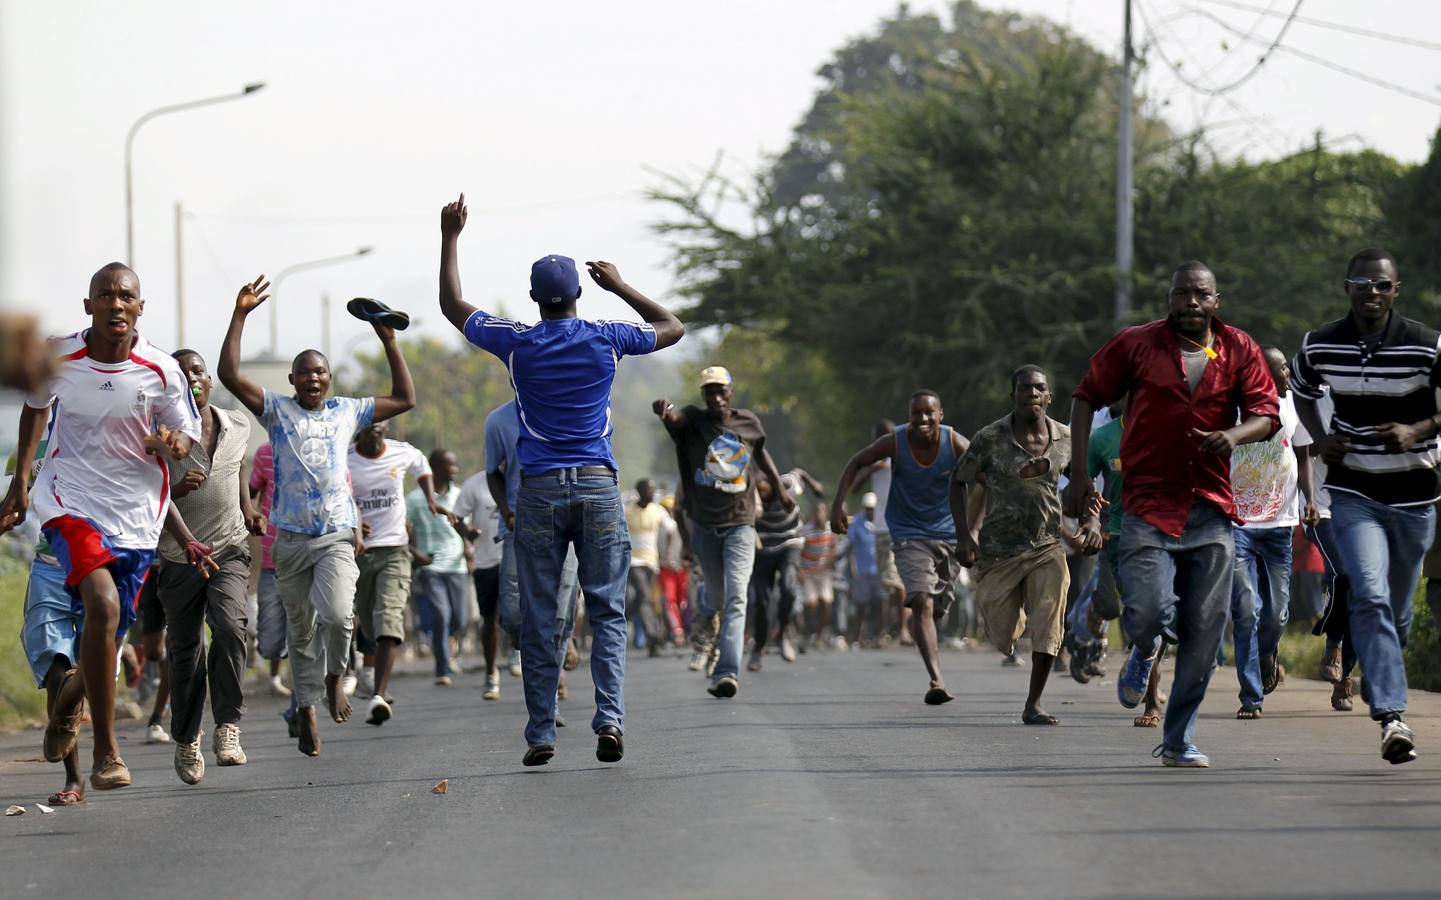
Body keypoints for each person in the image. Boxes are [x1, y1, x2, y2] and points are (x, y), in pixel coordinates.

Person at [440, 193, 683, 766]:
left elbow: (453, 305)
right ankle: (609, 720)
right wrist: (620, 285)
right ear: (577, 294)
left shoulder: (518, 344)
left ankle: (542, 732)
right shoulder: (606, 338)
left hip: (541, 492)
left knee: (543, 616)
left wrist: (450, 235)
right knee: (607, 611)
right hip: (598, 488)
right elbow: (671, 326)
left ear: (533, 299)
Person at [0, 262, 203, 790]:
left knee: (108, 629)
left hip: (137, 517)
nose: (116, 304)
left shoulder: (160, 369)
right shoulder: (60, 355)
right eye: (105, 296)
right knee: (103, 605)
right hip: (69, 502)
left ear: (140, 307)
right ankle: (106, 755)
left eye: (126, 296)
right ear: (88, 305)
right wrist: (21, 482)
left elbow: (185, 435)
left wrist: (173, 445)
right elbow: (35, 410)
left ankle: (70, 704)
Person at [1068, 260, 1278, 768]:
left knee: (1204, 634)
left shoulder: (1240, 349)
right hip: (1146, 507)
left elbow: (1267, 414)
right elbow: (1084, 395)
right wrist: (1078, 474)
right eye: (1181, 294)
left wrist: (1232, 435)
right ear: (1169, 299)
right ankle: (1143, 648)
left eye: (1200, 295)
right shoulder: (1137, 345)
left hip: (1210, 509)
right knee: (1145, 614)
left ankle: (1178, 739)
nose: (1190, 303)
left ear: (1215, 301)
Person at [219, 274, 416, 757]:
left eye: (320, 373)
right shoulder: (277, 411)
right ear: (292, 380)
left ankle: (334, 679)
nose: (313, 378)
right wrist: (241, 313)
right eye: (304, 373)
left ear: (330, 379)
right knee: (300, 630)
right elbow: (228, 374)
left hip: (334, 535)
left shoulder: (348, 411)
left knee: (338, 614)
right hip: (290, 540)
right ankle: (306, 708)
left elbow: (405, 397)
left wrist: (388, 340)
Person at [1291, 248, 1441, 765]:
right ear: (1347, 287)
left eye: (1382, 285)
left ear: (1396, 290)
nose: (1372, 293)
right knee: (1369, 596)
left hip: (1415, 495)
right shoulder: (1319, 344)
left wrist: (1417, 430)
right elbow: (1302, 390)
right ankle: (1392, 718)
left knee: (1397, 615)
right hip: (1355, 493)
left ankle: (1384, 685)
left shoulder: (1426, 345)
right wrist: (1320, 436)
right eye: (1362, 284)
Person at [953, 366, 1101, 725]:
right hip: (999, 550)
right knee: (1001, 629)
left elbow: (1085, 484)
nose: (1032, 395)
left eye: (1039, 389)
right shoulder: (989, 438)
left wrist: (1091, 522)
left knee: (1050, 622)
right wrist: (964, 536)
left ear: (1050, 397)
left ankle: (1033, 702)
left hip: (1047, 545)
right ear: (1013, 395)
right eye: (1024, 389)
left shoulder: (1066, 439)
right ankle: (1014, 623)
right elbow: (958, 481)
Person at [155, 349, 265, 783]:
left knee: (231, 626)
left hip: (229, 547)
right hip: (178, 556)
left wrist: (248, 506)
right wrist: (178, 487)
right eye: (181, 373)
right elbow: (151, 496)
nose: (192, 378)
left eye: (198, 371)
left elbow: (237, 466)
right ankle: (186, 739)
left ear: (209, 380)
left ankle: (228, 727)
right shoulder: (159, 433)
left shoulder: (236, 424)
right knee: (185, 653)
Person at [654, 365, 792, 699]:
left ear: (730, 392)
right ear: (703, 396)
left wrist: (780, 489)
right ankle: (704, 608)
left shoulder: (748, 423)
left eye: (720, 390)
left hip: (741, 524)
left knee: (736, 597)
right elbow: (674, 421)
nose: (715, 397)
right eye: (709, 392)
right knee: (715, 596)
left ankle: (727, 672)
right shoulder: (692, 421)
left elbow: (761, 453)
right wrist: (665, 412)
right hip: (704, 524)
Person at [830, 391, 969, 705]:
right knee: (920, 600)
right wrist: (837, 504)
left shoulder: (955, 443)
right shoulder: (896, 442)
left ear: (940, 415)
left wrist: (971, 531)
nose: (921, 419)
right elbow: (856, 462)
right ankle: (936, 678)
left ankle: (922, 625)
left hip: (947, 536)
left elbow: (986, 475)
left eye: (928, 413)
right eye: (915, 414)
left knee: (939, 605)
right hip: (907, 534)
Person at [1227, 347, 1318, 720]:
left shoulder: (1294, 407)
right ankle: (1251, 697)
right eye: (1278, 368)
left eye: (1286, 367)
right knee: (1246, 609)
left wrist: (1309, 501)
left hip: (1280, 524)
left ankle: (1268, 651)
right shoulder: (1232, 407)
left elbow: (1305, 457)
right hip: (1238, 524)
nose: (1285, 373)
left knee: (1277, 613)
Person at [484, 398, 583, 704]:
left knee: (557, 614)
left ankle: (549, 695)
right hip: (519, 525)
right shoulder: (499, 420)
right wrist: (506, 511)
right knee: (514, 615)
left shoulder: (569, 406)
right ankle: (551, 644)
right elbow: (493, 471)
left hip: (564, 523)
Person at [349, 422, 436, 722]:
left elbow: (422, 465)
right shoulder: (345, 459)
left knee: (389, 615)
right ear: (357, 428)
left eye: (380, 421)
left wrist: (430, 498)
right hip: (360, 553)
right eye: (368, 422)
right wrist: (353, 522)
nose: (375, 426)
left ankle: (378, 694)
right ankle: (370, 673)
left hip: (396, 550)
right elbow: (333, 492)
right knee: (371, 622)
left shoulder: (400, 452)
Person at [407, 449, 469, 685]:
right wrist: (415, 553)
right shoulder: (414, 499)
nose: (454, 470)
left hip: (457, 564)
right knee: (440, 615)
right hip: (430, 565)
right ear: (435, 468)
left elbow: (465, 528)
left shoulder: (460, 496)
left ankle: (450, 643)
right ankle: (443, 669)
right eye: (449, 466)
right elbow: (404, 527)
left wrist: (469, 548)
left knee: (460, 620)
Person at [453, 463, 505, 699]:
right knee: (489, 618)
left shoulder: (522, 475)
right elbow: (456, 518)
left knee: (520, 615)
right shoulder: (474, 484)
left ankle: (520, 656)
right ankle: (491, 672)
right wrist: (467, 534)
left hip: (517, 559)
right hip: (486, 561)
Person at [748, 469, 810, 669]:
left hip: (789, 543)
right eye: (757, 492)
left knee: (788, 588)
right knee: (762, 602)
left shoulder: (788, 485)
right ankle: (758, 647)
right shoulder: (748, 497)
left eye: (763, 491)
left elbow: (800, 473)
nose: (761, 496)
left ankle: (783, 633)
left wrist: (815, 486)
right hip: (763, 548)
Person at [249, 442, 294, 706]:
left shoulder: (316, 449)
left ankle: (294, 678)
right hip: (271, 556)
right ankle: (276, 661)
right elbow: (251, 492)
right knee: (269, 638)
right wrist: (249, 513)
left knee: (302, 620)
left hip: (304, 553)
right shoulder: (265, 452)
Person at [624, 478, 670, 656]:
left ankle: (622, 617)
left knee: (645, 600)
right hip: (634, 561)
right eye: (649, 490)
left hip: (652, 561)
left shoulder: (657, 510)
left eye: (653, 490)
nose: (652, 493)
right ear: (640, 491)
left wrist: (666, 554)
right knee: (643, 596)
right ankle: (652, 636)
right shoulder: (628, 511)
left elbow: (672, 530)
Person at [800, 502, 839, 648]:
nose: (819, 515)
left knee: (826, 602)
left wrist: (830, 561)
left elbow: (834, 548)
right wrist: (800, 572)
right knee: (811, 603)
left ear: (826, 514)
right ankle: (807, 631)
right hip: (808, 572)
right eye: (817, 512)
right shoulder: (806, 531)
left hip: (823, 573)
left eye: (822, 512)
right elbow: (798, 551)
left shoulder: (830, 530)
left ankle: (819, 633)